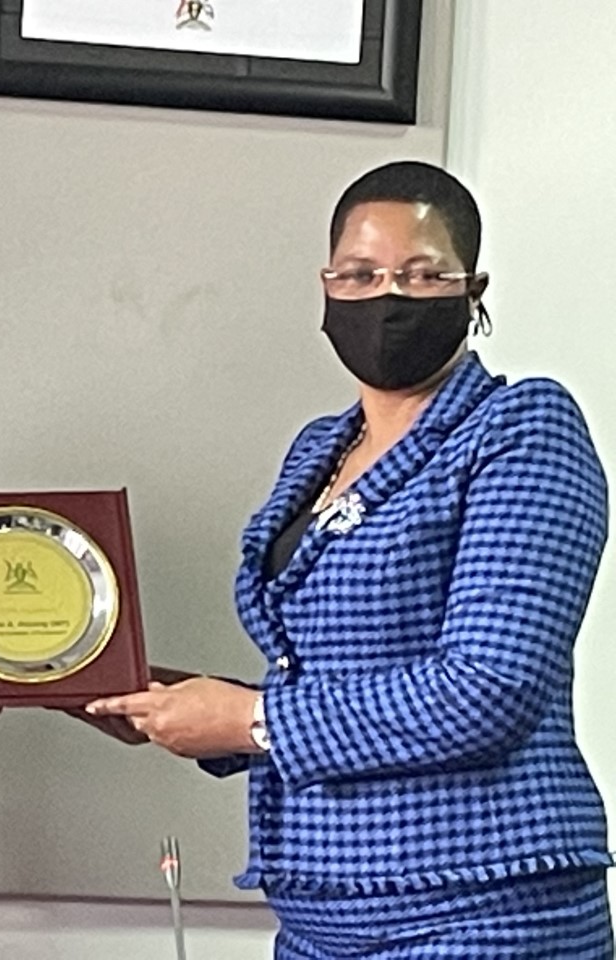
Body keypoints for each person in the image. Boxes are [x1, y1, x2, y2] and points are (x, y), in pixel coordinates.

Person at [88, 161, 613, 957]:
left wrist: (249, 719)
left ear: (474, 292)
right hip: (319, 916)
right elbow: (326, 674)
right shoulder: (319, 448)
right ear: (327, 286)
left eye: (422, 274)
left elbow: (487, 690)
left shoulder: (521, 430)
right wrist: (169, 702)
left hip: (483, 911)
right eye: (361, 274)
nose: (388, 297)